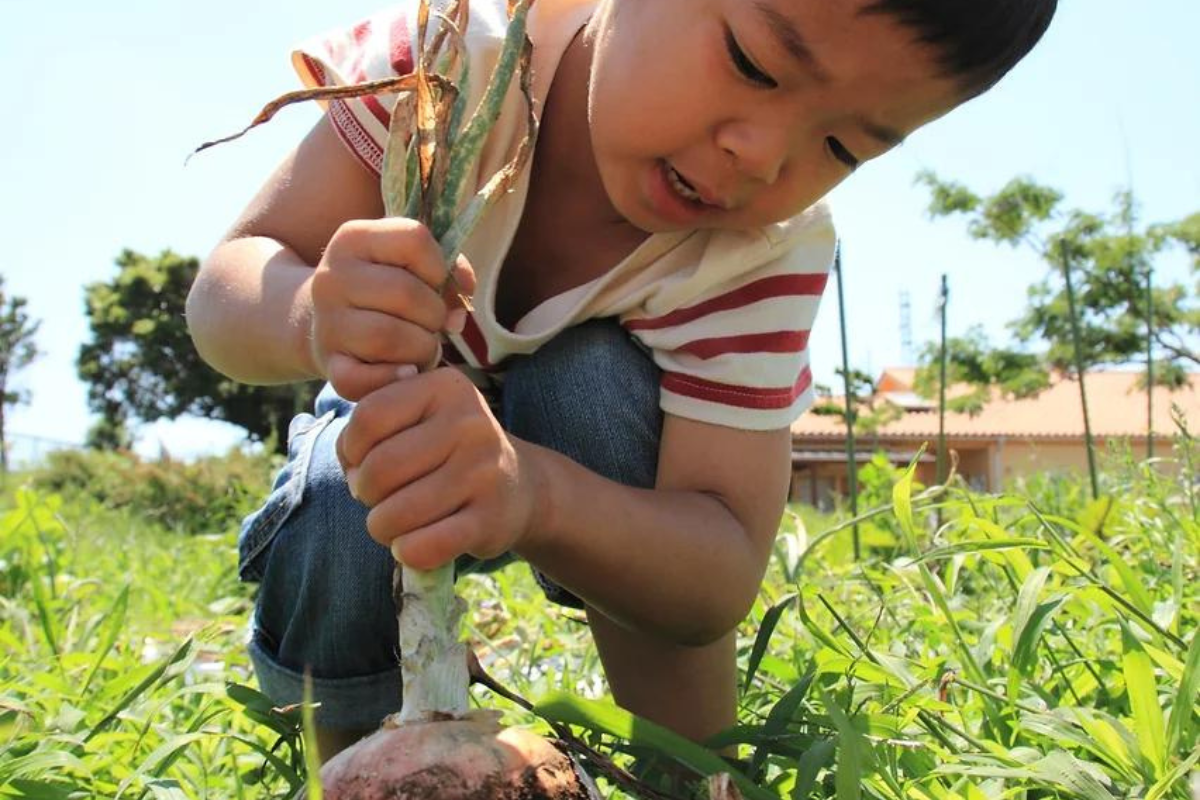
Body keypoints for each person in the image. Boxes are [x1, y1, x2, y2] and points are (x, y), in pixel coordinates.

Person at [186, 0, 1057, 763]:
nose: (760, 157)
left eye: (840, 144)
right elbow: (224, 291)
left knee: (591, 385)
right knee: (346, 495)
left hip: (591, 484)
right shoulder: (447, 64)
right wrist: (312, 312)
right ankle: (353, 761)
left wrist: (538, 497)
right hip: (394, 431)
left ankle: (691, 771)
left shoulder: (757, 252)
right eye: (754, 64)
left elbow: (715, 568)